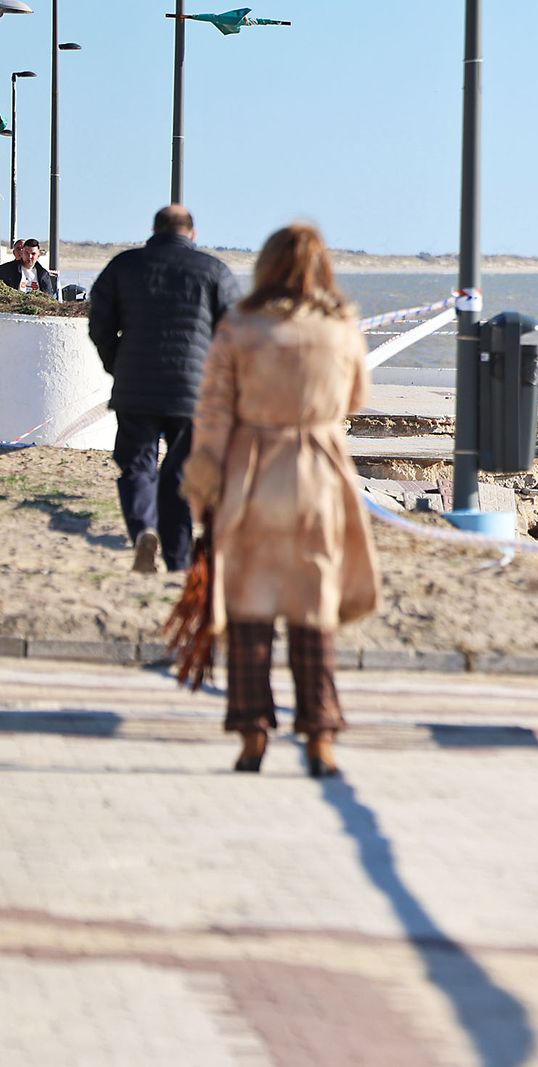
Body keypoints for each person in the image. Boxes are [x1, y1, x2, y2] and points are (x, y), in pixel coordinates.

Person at [182, 222, 381, 777]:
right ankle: (320, 736)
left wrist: (202, 488)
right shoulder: (341, 327)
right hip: (318, 473)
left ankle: (252, 733)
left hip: (252, 472)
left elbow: (213, 412)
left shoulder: (239, 326)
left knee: (250, 607)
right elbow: (357, 397)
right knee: (313, 608)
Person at [88, 205, 240, 573]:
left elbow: (99, 323)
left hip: (136, 386)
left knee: (137, 465)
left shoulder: (124, 265)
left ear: (155, 229)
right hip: (193, 390)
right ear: (193, 233)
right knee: (180, 473)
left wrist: (116, 364)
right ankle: (177, 558)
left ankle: (143, 528)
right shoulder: (213, 270)